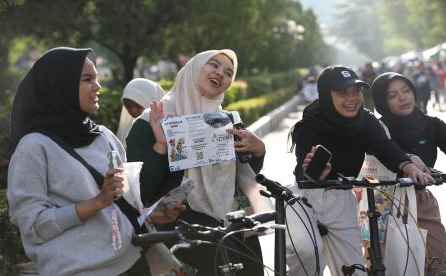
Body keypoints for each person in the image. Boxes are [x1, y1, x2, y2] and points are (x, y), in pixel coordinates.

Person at [126, 49, 266, 275]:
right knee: (221, 258)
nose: (221, 73)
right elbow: (142, 189)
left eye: (229, 72)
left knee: (252, 266)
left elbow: (242, 174)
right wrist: (161, 145)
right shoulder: (149, 123)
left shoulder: (226, 120)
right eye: (214, 65)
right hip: (176, 224)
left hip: (229, 218)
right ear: (194, 68)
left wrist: (258, 150)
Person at [286, 65, 433, 276]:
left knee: (355, 271)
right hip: (304, 199)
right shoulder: (308, 125)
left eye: (356, 91)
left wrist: (410, 168)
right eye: (342, 93)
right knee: (307, 253)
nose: (352, 98)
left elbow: (386, 148)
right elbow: (305, 172)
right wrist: (316, 173)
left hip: (341, 198)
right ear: (326, 96)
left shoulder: (366, 120)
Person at [7, 47, 142, 275]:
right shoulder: (34, 147)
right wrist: (97, 202)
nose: (97, 86)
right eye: (87, 79)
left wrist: (158, 210)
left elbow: (124, 200)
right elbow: (32, 225)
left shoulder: (104, 136)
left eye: (97, 79)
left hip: (130, 259)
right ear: (60, 86)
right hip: (78, 269)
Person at [371, 71, 446, 273]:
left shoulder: (431, 124)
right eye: (393, 95)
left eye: (406, 91)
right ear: (382, 101)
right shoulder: (376, 128)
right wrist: (407, 159)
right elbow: (377, 152)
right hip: (383, 202)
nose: (402, 98)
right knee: (389, 267)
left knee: (437, 264)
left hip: (421, 200)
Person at [116, 78, 165, 148]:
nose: (133, 111)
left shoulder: (170, 129)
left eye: (139, 105)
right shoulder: (130, 129)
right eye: (128, 106)